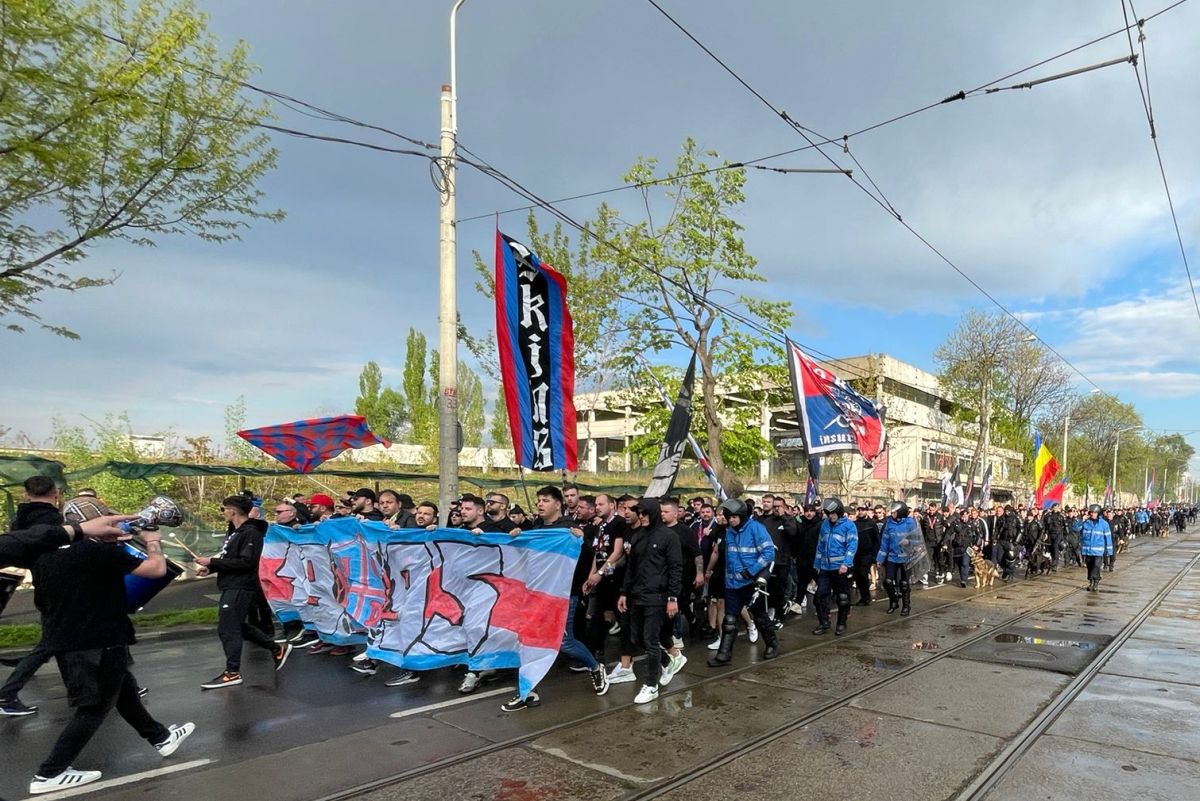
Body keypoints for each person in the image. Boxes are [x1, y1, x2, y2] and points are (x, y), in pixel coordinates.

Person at [24, 516, 194, 794]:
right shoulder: (100, 552)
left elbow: (41, 601)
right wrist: (153, 542)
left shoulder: (45, 555)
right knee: (95, 707)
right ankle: (48, 774)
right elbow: (155, 570)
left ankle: (161, 738)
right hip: (102, 639)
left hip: (65, 640)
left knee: (124, 690)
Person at [499, 486, 608, 712]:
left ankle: (596, 668)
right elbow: (524, 558)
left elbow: (587, 556)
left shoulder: (568, 528)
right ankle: (528, 690)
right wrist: (516, 538)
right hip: (535, 595)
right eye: (538, 500)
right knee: (528, 639)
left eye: (546, 500)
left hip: (563, 596)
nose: (540, 504)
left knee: (563, 642)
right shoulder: (536, 528)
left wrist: (581, 541)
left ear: (558, 504)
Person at [195, 496, 292, 689]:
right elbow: (231, 559)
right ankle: (276, 648)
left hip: (241, 586)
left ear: (233, 511)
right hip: (231, 584)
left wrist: (212, 562)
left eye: (224, 509)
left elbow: (247, 562)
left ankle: (232, 672)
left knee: (228, 628)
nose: (222, 512)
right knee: (235, 625)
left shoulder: (251, 533)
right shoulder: (235, 533)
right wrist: (211, 568)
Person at [1, 476, 64, 716]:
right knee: (51, 642)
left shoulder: (20, 520)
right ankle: (6, 694)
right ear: (55, 493)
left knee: (63, 640)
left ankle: (96, 688)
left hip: (41, 583)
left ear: (26, 494)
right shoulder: (55, 521)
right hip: (60, 585)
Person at [618, 498, 683, 704]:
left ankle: (651, 685)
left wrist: (672, 597)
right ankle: (667, 661)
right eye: (640, 513)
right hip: (637, 596)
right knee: (636, 639)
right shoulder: (637, 537)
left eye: (645, 513)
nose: (642, 516)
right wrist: (624, 592)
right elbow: (630, 567)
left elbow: (675, 568)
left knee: (650, 640)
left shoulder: (669, 537)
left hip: (657, 597)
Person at [707, 498, 777, 666]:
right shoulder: (729, 531)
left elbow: (769, 553)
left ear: (743, 515)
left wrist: (751, 571)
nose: (731, 520)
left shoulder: (756, 529)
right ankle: (724, 654)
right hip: (732, 584)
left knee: (760, 617)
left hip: (751, 584)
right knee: (729, 621)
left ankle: (772, 644)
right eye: (728, 517)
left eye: (734, 517)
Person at [812, 497, 858, 636]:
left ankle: (841, 623)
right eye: (828, 513)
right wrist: (817, 564)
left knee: (843, 597)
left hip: (840, 568)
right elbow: (820, 545)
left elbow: (852, 546)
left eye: (832, 513)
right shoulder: (824, 524)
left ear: (838, 511)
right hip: (825, 567)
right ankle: (824, 623)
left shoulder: (849, 525)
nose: (830, 516)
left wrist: (846, 563)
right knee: (820, 597)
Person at [877, 502, 919, 616]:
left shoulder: (910, 523)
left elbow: (918, 540)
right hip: (892, 557)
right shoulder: (889, 523)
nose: (892, 514)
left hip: (906, 557)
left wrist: (909, 542)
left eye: (894, 512)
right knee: (888, 582)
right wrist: (880, 558)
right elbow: (884, 542)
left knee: (904, 583)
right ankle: (893, 602)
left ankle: (906, 606)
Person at [1079, 504, 1113, 592]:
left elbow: (1108, 537)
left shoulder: (1104, 524)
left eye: (1094, 512)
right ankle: (1091, 582)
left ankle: (1096, 582)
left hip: (1098, 551)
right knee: (1089, 567)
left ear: (1098, 513)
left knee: (1096, 567)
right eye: (1091, 512)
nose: (1092, 514)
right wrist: (1081, 521)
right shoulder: (1086, 522)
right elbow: (1076, 529)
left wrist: (1109, 551)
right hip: (1087, 550)